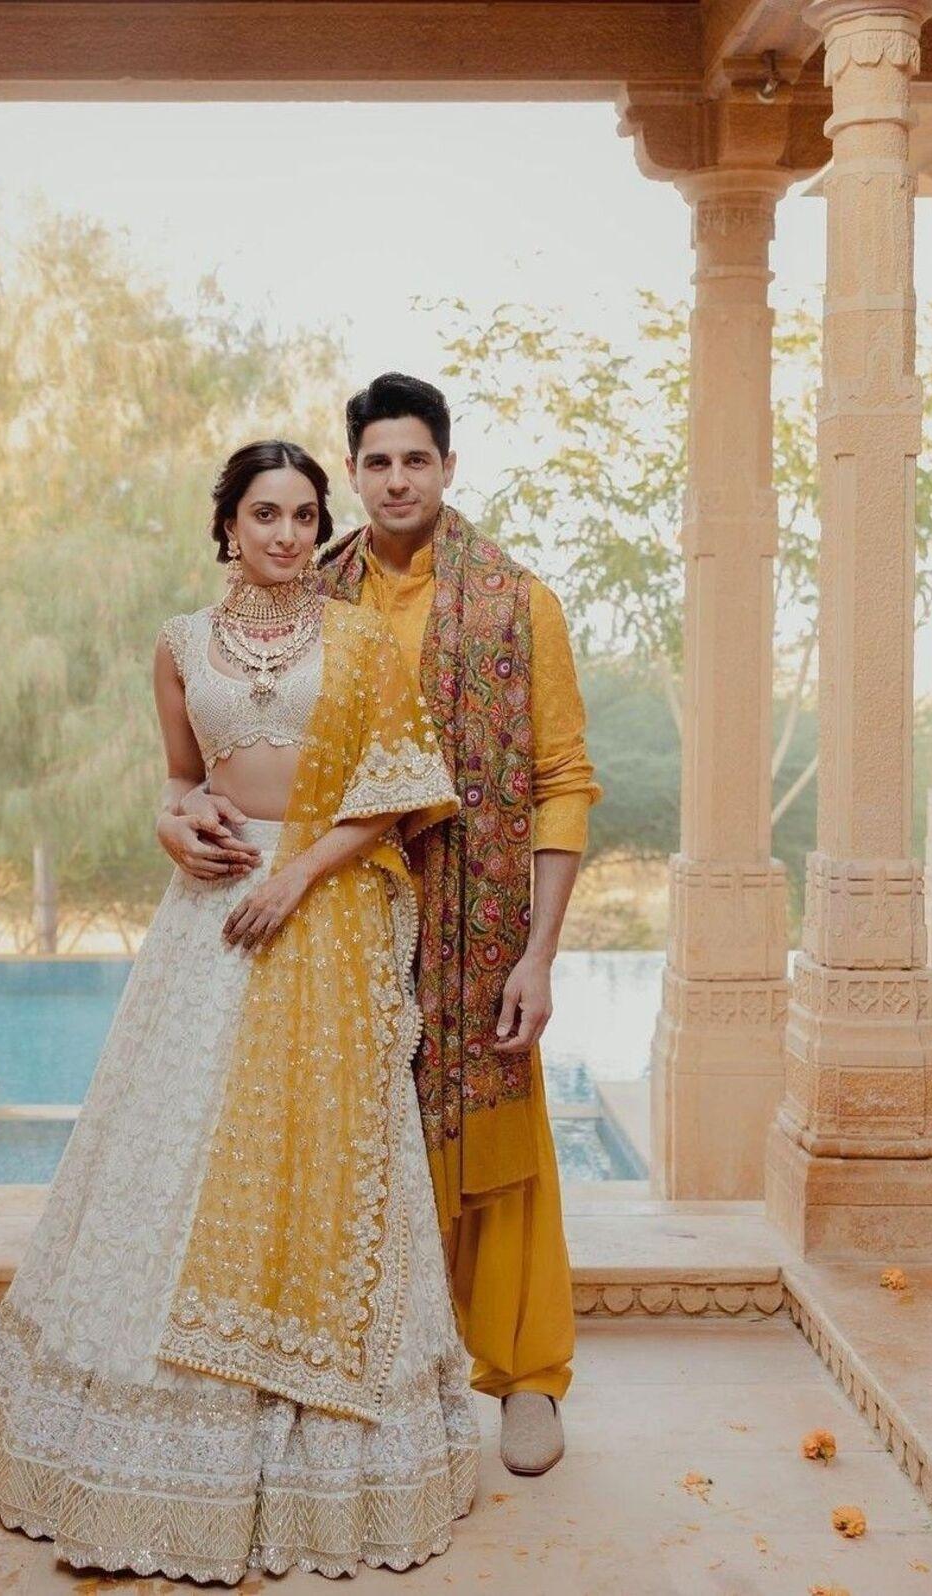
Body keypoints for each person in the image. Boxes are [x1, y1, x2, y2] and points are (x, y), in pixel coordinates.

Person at [0, 438, 479, 1583]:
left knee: (317, 1165)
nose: (286, 535)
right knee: (169, 1157)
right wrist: (170, 826)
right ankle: (136, 1454)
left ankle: (315, 1458)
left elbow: (395, 796)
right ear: (225, 527)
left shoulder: (360, 642)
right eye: (263, 515)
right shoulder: (179, 643)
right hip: (207, 924)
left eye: (301, 515)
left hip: (319, 912)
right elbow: (178, 778)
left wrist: (292, 877)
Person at [318, 373, 603, 1476]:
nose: (396, 479)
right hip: (347, 919)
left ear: (447, 465)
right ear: (352, 472)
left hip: (479, 925)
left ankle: (526, 1376)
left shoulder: (514, 601)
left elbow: (562, 780)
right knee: (352, 1142)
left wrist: (535, 954)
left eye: (415, 459)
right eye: (376, 461)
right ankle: (373, 1376)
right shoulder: (312, 597)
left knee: (500, 1140)